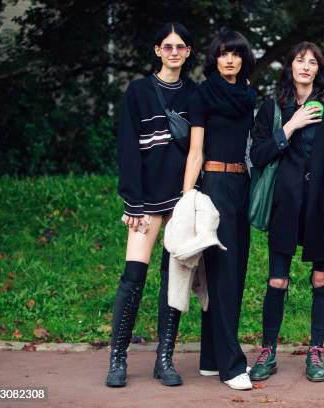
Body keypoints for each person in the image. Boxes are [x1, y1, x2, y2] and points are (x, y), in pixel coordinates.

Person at [249, 41, 324, 383]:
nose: (305, 66)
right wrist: (290, 125)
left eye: (312, 62)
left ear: (319, 69)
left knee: (322, 277)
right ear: (291, 67)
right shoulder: (272, 108)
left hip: (323, 210)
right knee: (277, 279)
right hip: (285, 207)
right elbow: (260, 155)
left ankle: (316, 351)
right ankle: (267, 351)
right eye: (300, 60)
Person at [106, 22, 197, 388]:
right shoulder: (139, 91)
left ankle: (164, 358)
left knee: (173, 280)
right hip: (146, 202)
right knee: (133, 277)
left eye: (180, 47)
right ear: (157, 50)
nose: (174, 52)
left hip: (180, 199)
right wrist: (134, 203)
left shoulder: (194, 94)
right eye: (168, 46)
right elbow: (128, 149)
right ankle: (117, 357)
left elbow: (198, 148)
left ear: (188, 52)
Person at [184, 29, 256, 391]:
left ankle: (211, 357)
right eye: (224, 53)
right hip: (213, 185)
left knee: (234, 272)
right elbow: (196, 151)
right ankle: (231, 366)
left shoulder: (248, 94)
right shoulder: (203, 93)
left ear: (244, 58)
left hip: (241, 185)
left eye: (236, 54)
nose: (229, 59)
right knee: (223, 273)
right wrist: (186, 197)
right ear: (215, 57)